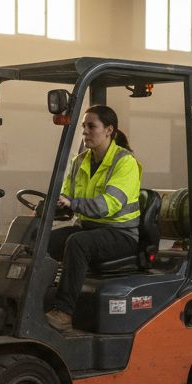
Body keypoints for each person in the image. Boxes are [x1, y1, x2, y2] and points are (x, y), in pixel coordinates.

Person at [44, 105, 142, 334]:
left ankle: (63, 312)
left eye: (91, 126)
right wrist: (50, 207)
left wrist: (74, 204)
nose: (85, 132)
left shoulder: (124, 162)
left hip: (120, 234)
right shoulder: (80, 161)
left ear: (109, 130)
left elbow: (109, 204)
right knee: (42, 239)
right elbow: (68, 195)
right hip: (89, 227)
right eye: (83, 127)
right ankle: (37, 300)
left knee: (78, 243)